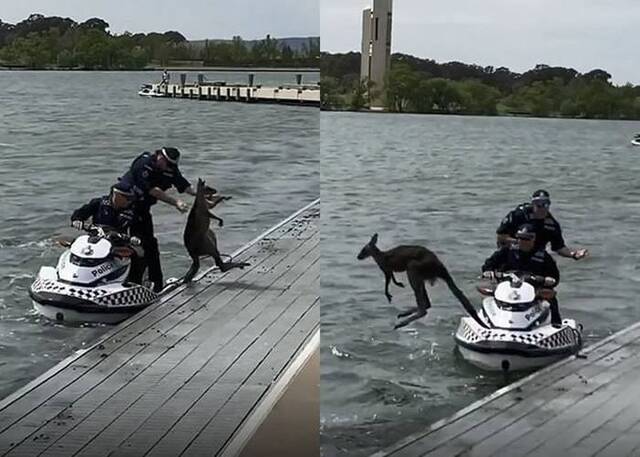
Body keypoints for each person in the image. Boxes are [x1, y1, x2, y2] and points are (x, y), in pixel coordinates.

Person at [118, 147, 199, 292]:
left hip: (142, 210)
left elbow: (182, 184)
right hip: (123, 207)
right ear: (160, 157)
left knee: (150, 247)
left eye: (172, 165)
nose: (169, 168)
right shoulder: (143, 164)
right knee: (128, 245)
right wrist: (176, 202)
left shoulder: (170, 168)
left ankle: (156, 286)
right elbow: (152, 190)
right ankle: (128, 283)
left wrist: (200, 194)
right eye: (167, 164)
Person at [483, 224, 563, 327]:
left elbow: (555, 278)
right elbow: (488, 265)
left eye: (527, 238)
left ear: (534, 239)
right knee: (489, 297)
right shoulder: (507, 251)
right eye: (520, 238)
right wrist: (488, 271)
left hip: (533, 292)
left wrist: (548, 280)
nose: (523, 241)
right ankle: (486, 322)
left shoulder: (544, 257)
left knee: (550, 298)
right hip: (507, 290)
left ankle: (556, 325)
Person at [71, 182, 144, 284]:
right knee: (75, 248)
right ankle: (70, 276)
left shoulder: (132, 211)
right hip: (95, 239)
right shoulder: (99, 203)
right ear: (116, 195)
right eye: (126, 198)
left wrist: (135, 238)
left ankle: (136, 285)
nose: (129, 201)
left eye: (130, 198)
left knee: (136, 256)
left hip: (118, 242)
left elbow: (138, 229)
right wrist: (76, 220)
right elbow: (80, 213)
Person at [496, 189, 588, 260]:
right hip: (512, 249)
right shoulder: (519, 215)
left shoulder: (552, 225)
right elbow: (501, 236)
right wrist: (521, 242)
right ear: (533, 204)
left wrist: (574, 254)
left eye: (546, 204)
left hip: (535, 254)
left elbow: (559, 247)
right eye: (538, 204)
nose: (542, 208)